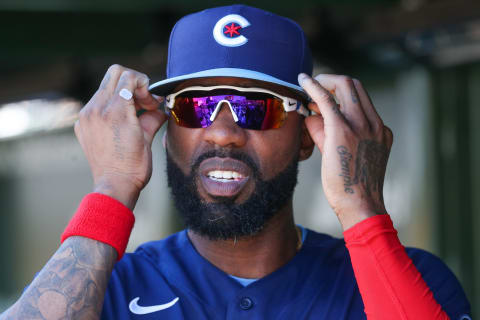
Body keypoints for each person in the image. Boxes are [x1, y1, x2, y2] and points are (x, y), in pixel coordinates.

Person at [1, 4, 471, 320]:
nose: (223, 132)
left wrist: (363, 213)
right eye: (195, 107)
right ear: (167, 131)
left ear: (308, 137)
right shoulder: (110, 287)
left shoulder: (407, 279)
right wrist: (112, 186)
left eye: (255, 107)